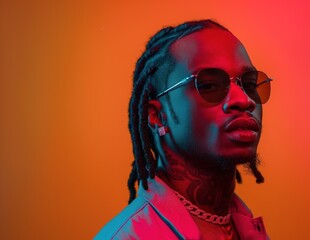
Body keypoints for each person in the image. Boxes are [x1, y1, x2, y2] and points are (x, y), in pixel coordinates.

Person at [95, 19, 272, 240]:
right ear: (157, 116)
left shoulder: (244, 226)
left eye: (250, 85)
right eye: (208, 85)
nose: (244, 100)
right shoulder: (129, 237)